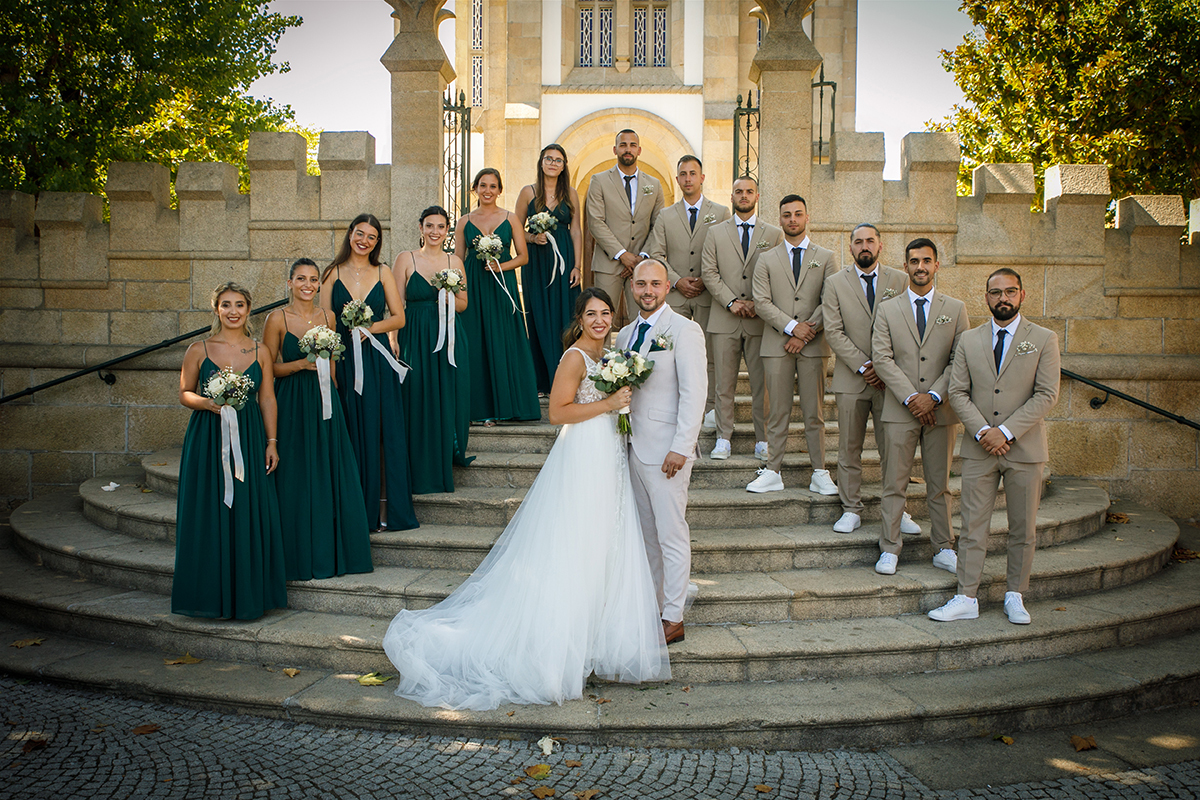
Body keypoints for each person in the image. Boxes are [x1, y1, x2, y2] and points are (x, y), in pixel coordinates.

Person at [382, 288, 670, 710]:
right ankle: (560, 648)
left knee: (605, 541)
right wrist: (609, 402)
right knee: (579, 544)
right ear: (579, 318)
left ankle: (593, 637)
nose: (599, 320)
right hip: (583, 454)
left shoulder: (612, 354)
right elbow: (557, 412)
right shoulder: (575, 357)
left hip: (608, 452)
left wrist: (616, 406)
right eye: (591, 314)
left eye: (605, 313)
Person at [929, 268, 1060, 624]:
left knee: (1023, 527)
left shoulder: (1044, 338)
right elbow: (956, 391)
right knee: (972, 527)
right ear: (986, 297)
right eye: (995, 292)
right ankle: (966, 597)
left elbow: (1047, 394)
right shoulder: (969, 340)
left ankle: (1015, 594)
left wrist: (1006, 431)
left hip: (1024, 448)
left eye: (1010, 292)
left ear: (1022, 295)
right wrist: (984, 430)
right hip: (979, 448)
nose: (1003, 298)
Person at [172, 282, 287, 620]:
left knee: (249, 510)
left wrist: (272, 442)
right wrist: (209, 403)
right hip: (208, 438)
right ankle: (209, 595)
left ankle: (248, 595)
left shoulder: (259, 351)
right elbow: (184, 394)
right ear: (216, 309)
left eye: (239, 305)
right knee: (209, 511)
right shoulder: (198, 349)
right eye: (226, 305)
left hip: (249, 436)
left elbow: (266, 398)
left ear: (249, 310)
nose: (233, 311)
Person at [264, 260, 374, 580]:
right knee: (296, 474)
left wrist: (336, 398)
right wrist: (301, 365)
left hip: (326, 401)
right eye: (301, 279)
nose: (308, 285)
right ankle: (295, 553)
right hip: (292, 401)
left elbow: (335, 364)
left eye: (313, 279)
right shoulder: (276, 319)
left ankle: (332, 550)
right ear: (290, 283)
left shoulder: (328, 317)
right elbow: (268, 368)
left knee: (329, 470)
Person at [616, 260, 707, 645]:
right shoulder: (623, 335)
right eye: (641, 284)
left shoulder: (684, 331)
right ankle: (654, 608)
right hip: (632, 448)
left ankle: (673, 617)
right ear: (632, 288)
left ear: (668, 287)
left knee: (671, 534)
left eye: (655, 283)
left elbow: (694, 393)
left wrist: (682, 447)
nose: (647, 290)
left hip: (668, 451)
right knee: (648, 537)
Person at [870, 239, 970, 575]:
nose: (920, 267)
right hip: (900, 411)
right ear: (906, 265)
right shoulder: (888, 309)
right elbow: (882, 358)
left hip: (941, 412)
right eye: (914, 261)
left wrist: (934, 396)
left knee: (939, 484)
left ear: (937, 265)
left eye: (927, 260)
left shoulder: (955, 309)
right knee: (894, 482)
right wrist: (912, 398)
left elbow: (960, 359)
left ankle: (944, 546)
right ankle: (889, 548)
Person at [319, 213, 418, 532]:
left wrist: (370, 328)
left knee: (382, 432)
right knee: (352, 431)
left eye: (372, 237)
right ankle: (356, 510)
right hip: (345, 361)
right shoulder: (332, 274)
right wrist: (331, 368)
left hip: (377, 362)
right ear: (350, 235)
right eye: (359, 233)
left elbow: (399, 318)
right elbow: (324, 323)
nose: (364, 240)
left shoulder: (383, 271)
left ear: (377, 242)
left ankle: (389, 509)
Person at [822, 223, 919, 535]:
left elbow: (907, 328)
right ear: (850, 247)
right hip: (852, 379)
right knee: (849, 448)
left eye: (870, 241)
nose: (864, 246)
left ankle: (897, 510)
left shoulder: (900, 280)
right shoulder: (835, 283)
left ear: (880, 245)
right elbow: (833, 331)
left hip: (890, 382)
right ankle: (851, 508)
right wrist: (864, 366)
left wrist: (884, 366)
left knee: (893, 448)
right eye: (858, 242)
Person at [749, 195, 838, 494]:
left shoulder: (825, 257)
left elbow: (831, 300)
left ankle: (820, 471)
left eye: (798, 214)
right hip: (777, 344)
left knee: (815, 413)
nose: (792, 219)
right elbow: (761, 301)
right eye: (786, 215)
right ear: (780, 219)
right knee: (776, 411)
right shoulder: (767, 259)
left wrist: (806, 332)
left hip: (813, 346)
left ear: (807, 217)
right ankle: (773, 469)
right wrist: (791, 328)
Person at [392, 206, 474, 494]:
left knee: (448, 397)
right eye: (430, 226)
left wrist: (447, 297)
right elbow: (396, 304)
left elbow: (464, 304)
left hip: (449, 336)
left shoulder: (456, 261)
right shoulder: (406, 259)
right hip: (414, 335)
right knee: (417, 397)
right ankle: (418, 468)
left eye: (440, 227)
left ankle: (445, 460)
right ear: (420, 227)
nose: (435, 232)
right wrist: (393, 339)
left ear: (447, 230)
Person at [700, 175, 780, 463]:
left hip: (760, 322)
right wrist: (731, 302)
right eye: (738, 191)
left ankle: (763, 439)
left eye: (749, 191)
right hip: (724, 319)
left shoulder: (772, 234)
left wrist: (758, 304)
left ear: (757, 196)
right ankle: (723, 438)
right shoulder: (716, 232)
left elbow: (778, 274)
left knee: (763, 385)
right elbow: (709, 272)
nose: (743, 196)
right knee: (723, 384)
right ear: (731, 196)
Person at [648, 155, 730, 429]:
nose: (688, 179)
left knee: (710, 354)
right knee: (666, 350)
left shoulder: (720, 213)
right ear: (677, 179)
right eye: (683, 174)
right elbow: (657, 252)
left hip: (709, 295)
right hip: (674, 296)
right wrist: (676, 280)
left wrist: (707, 280)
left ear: (702, 177)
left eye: (693, 173)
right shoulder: (665, 215)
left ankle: (709, 410)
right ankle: (669, 403)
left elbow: (726, 254)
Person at [454, 168, 541, 424]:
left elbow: (523, 256)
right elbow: (458, 258)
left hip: (502, 285)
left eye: (493, 186)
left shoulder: (511, 218)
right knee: (475, 340)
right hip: (473, 284)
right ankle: (476, 409)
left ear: (500, 190)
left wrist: (500, 266)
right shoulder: (464, 221)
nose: (487, 191)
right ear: (475, 188)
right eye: (483, 185)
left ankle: (509, 405)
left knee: (504, 338)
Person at [515, 144, 584, 394]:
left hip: (565, 260)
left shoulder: (571, 194)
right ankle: (543, 381)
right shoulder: (527, 193)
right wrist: (533, 239)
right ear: (541, 162)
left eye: (558, 160)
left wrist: (578, 266)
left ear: (564, 165)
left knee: (566, 316)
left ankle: (568, 377)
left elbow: (576, 230)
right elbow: (516, 229)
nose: (553, 163)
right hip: (537, 262)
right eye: (548, 159)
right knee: (539, 315)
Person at [586, 129, 665, 325]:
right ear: (615, 150)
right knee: (601, 320)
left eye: (632, 145)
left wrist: (642, 257)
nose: (627, 149)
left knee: (643, 320)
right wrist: (623, 255)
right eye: (623, 145)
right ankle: (602, 357)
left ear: (639, 150)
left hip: (642, 266)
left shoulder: (654, 184)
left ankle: (641, 356)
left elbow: (659, 224)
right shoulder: (599, 180)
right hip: (608, 263)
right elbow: (595, 221)